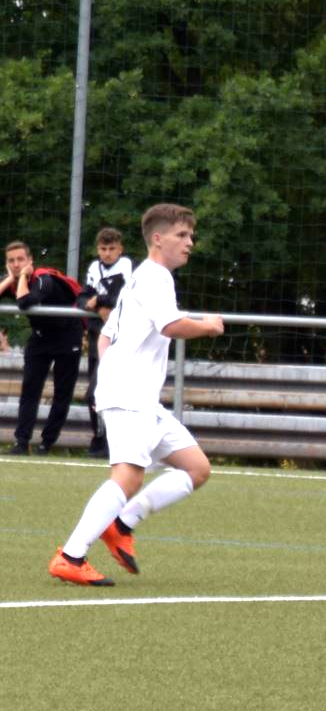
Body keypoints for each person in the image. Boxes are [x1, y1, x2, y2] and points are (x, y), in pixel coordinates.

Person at [48, 204, 224, 587]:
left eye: (191, 236)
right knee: (127, 477)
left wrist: (115, 369)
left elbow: (106, 335)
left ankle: (122, 524)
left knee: (196, 468)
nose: (189, 243)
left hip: (138, 395)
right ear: (158, 239)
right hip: (130, 395)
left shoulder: (140, 280)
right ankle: (70, 555)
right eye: (182, 235)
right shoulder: (154, 278)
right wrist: (208, 326)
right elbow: (173, 325)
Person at [1, 241, 84, 456]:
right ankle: (21, 442)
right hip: (41, 338)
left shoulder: (43, 279)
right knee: (30, 389)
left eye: (21, 259)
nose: (16, 264)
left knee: (62, 393)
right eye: (11, 261)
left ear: (30, 261)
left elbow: (25, 302)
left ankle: (46, 443)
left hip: (68, 336)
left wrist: (22, 278)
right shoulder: (13, 280)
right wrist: (11, 278)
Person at [77, 227, 134, 458]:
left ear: (120, 249)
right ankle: (100, 438)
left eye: (112, 249)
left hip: (119, 339)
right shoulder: (93, 268)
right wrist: (93, 303)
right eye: (103, 249)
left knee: (102, 391)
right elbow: (82, 298)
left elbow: (123, 298)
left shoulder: (126, 267)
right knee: (95, 392)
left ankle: (108, 440)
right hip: (96, 338)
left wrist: (99, 300)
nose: (107, 253)